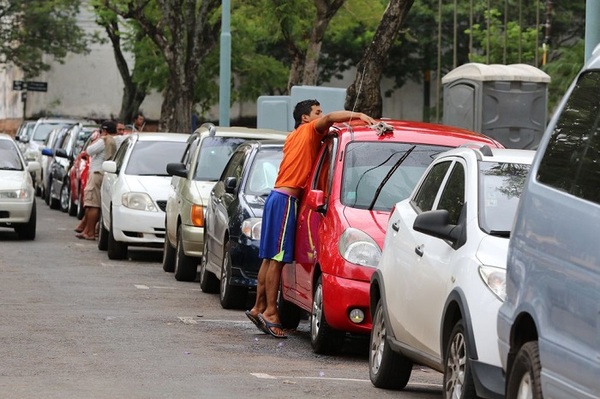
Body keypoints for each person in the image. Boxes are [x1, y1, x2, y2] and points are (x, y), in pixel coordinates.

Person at [245, 100, 376, 338]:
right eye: (317, 112)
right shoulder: (309, 129)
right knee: (277, 260)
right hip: (286, 200)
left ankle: (258, 308)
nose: (322, 115)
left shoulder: (293, 136)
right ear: (306, 118)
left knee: (268, 259)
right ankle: (271, 312)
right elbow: (331, 119)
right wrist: (358, 114)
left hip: (276, 197)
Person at [74, 120, 118, 240]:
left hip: (97, 173)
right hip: (104, 173)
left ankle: (90, 232)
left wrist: (96, 139)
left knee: (92, 204)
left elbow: (89, 151)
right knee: (92, 203)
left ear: (104, 131)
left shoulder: (104, 140)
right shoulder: (117, 140)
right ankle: (87, 230)